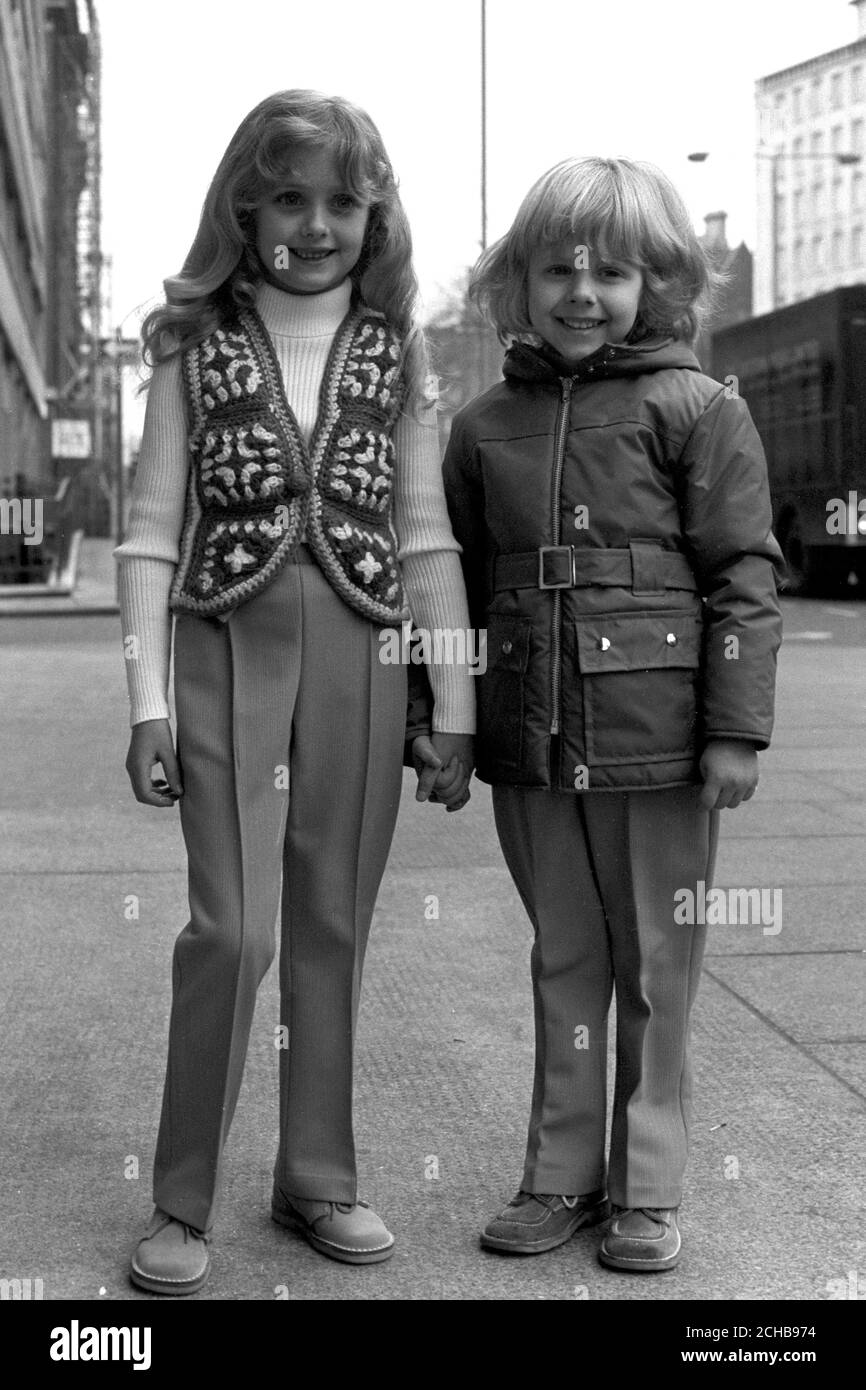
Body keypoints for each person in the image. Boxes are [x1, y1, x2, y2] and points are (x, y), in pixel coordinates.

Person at [115, 89, 474, 1295]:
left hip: (368, 656)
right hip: (223, 644)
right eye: (287, 198)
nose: (314, 224)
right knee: (236, 927)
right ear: (243, 206)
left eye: (341, 199)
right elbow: (150, 528)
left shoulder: (399, 346)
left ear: (374, 214)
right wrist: (144, 701)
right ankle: (179, 1196)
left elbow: (425, 536)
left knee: (333, 923)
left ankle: (316, 1173)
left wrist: (455, 707)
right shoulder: (190, 341)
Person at [442, 157, 783, 1273]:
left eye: (611, 269)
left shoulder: (698, 409)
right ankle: (558, 1175)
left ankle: (646, 1186)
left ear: (658, 281)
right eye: (556, 267)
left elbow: (741, 577)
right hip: (531, 743)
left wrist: (733, 729)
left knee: (655, 967)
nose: (581, 290)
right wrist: (434, 716)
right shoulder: (481, 425)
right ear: (518, 281)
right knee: (562, 960)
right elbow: (443, 582)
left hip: (661, 747)